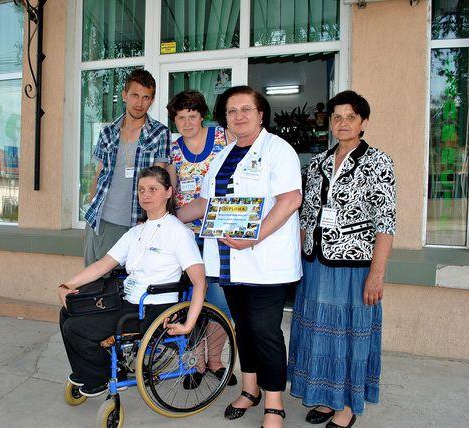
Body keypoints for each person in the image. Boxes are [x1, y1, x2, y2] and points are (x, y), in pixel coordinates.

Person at [177, 86, 302, 428]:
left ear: (261, 114)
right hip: (228, 262)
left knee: (266, 332)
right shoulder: (223, 156)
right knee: (243, 328)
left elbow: (290, 200)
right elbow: (205, 203)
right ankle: (250, 389)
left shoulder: (278, 149)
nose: (239, 116)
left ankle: (274, 404)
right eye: (232, 111)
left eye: (246, 109)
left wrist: (254, 237)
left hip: (265, 262)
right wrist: (167, 218)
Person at [288, 90, 396, 428]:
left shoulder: (378, 162)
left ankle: (346, 406)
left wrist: (376, 275)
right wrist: (296, 263)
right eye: (337, 117)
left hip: (354, 267)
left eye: (351, 117)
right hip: (315, 264)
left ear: (364, 122)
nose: (343, 123)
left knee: (348, 336)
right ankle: (324, 396)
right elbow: (306, 216)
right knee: (317, 333)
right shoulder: (317, 163)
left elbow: (386, 222)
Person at [59, 166, 207, 397]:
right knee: (68, 311)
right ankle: (88, 372)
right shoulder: (136, 232)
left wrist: (189, 324)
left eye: (153, 189)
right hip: (128, 301)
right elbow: (103, 264)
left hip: (154, 308)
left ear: (168, 192)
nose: (146, 195)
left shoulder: (178, 232)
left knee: (76, 329)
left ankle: (102, 376)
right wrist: (68, 285)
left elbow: (199, 282)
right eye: (141, 190)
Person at [166, 89, 236, 389]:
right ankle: (195, 362)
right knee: (190, 300)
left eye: (192, 116)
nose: (186, 122)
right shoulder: (173, 150)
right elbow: (170, 192)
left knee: (219, 302)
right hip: (186, 238)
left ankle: (216, 360)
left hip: (220, 235)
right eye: (180, 117)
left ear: (202, 116)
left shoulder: (223, 137)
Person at [84, 69, 172, 266]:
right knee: (91, 281)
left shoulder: (160, 133)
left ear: (152, 100)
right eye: (134, 95)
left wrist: (150, 219)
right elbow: (98, 174)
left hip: (135, 223)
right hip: (98, 220)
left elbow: (159, 180)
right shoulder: (107, 132)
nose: (139, 103)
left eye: (145, 97)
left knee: (124, 282)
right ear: (124, 95)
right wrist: (91, 206)